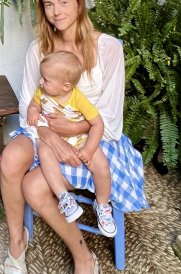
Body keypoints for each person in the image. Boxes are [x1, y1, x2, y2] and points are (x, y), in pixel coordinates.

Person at [0, 0, 148, 274]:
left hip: (93, 138)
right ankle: (16, 241)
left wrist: (73, 129)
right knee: (10, 159)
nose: (55, 11)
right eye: (48, 5)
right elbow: (26, 108)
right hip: (44, 130)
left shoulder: (108, 48)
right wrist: (50, 136)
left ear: (79, 3)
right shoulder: (39, 49)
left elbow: (111, 119)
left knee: (33, 186)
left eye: (63, 2)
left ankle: (85, 263)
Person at [26, 51, 116, 237]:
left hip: (79, 137)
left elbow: (97, 124)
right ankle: (64, 198)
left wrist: (89, 149)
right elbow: (34, 104)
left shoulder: (78, 99)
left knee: (101, 165)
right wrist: (33, 111)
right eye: (42, 78)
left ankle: (103, 205)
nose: (41, 82)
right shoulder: (42, 91)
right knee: (44, 152)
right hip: (51, 136)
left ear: (66, 86)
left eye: (46, 80)